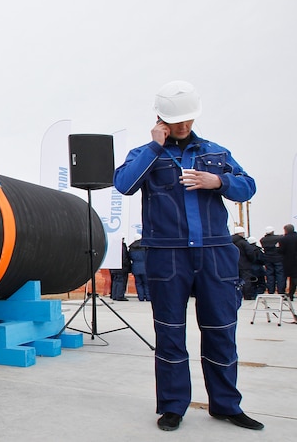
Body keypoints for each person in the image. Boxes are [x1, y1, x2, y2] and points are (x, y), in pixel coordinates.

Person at [114, 80, 262, 432]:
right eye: (176, 121)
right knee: (170, 333)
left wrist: (219, 182)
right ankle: (173, 406)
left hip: (215, 254)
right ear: (161, 118)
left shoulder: (217, 154)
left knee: (221, 331)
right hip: (167, 257)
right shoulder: (146, 153)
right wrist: (154, 146)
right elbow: (124, 184)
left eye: (187, 120)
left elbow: (248, 186)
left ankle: (226, 404)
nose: (183, 127)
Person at [231, 226, 260, 300]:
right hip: (244, 264)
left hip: (233, 264)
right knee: (246, 280)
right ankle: (247, 295)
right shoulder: (243, 242)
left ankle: (237, 294)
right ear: (241, 233)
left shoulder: (230, 242)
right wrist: (252, 260)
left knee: (235, 280)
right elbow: (250, 253)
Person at [260, 225, 285, 294]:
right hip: (278, 258)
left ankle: (271, 290)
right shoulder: (279, 238)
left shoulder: (263, 240)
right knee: (280, 274)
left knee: (270, 275)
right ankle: (281, 290)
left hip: (268, 259)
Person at [128, 233, 150, 301]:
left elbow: (129, 258)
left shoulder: (131, 248)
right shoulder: (145, 247)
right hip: (145, 267)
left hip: (135, 267)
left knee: (138, 283)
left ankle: (141, 297)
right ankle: (148, 297)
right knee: (146, 283)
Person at [279, 224, 297, 301]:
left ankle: (291, 294)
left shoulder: (284, 239)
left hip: (289, 261)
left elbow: (281, 250)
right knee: (294, 278)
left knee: (292, 278)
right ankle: (291, 294)